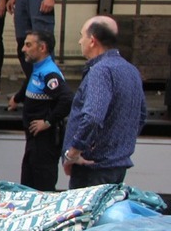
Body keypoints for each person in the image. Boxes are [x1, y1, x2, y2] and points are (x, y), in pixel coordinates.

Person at [62, 17, 146, 189]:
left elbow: (93, 117)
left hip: (92, 168)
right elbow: (141, 115)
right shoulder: (131, 70)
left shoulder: (101, 71)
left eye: (81, 36)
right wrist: (119, 146)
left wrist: (74, 152)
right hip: (117, 165)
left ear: (92, 41)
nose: (79, 41)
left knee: (88, 215)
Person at [7, 30, 72, 191]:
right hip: (33, 140)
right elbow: (30, 82)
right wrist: (17, 98)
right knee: (28, 184)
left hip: (45, 142)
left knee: (43, 187)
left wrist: (48, 122)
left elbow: (67, 99)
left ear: (42, 48)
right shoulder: (37, 69)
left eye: (28, 45)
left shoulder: (49, 74)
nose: (23, 49)